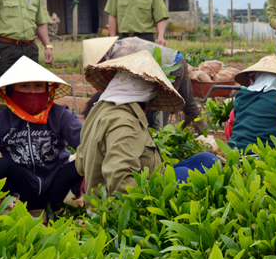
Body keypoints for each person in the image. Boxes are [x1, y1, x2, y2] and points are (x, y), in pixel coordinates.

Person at [76, 51, 217, 197]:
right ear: (145, 96)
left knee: (207, 159)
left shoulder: (99, 109)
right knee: (186, 174)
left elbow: (80, 165)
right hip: (127, 200)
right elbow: (122, 184)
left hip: (147, 178)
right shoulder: (125, 124)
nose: (151, 106)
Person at [0, 56, 82, 211]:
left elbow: (89, 146)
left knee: (82, 163)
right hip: (19, 193)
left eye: (39, 86)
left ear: (48, 89)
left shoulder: (60, 116)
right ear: (11, 90)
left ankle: (63, 209)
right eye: (24, 86)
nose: (32, 92)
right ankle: (7, 210)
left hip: (57, 188)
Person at [81, 36, 202, 130]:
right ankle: (200, 134)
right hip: (177, 58)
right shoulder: (121, 43)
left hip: (170, 66)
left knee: (160, 114)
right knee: (189, 103)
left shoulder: (120, 56)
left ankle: (160, 142)